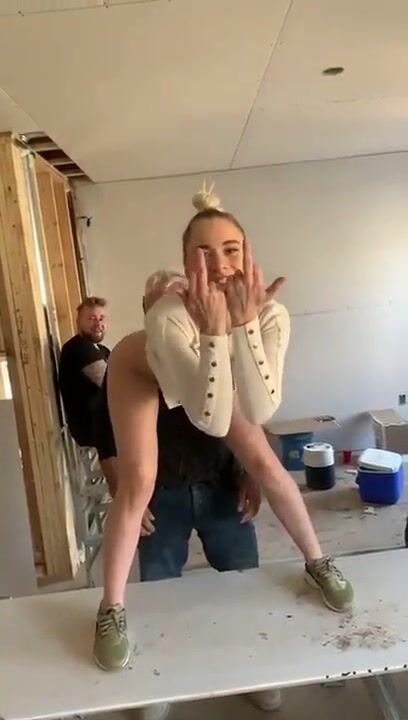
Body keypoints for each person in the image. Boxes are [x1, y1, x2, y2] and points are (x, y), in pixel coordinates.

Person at [94, 190, 353, 672]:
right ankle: (111, 608)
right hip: (150, 388)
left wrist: (241, 324)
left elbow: (254, 407)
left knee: (266, 465)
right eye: (204, 255)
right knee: (139, 484)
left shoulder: (235, 311)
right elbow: (203, 416)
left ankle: (318, 560)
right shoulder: (152, 337)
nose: (217, 266)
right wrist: (214, 333)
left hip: (207, 416)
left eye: (230, 250)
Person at [94, 370, 284, 717]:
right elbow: (105, 437)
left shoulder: (225, 356)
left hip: (223, 486)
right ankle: (157, 682)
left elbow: (257, 418)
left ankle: (257, 670)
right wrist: (124, 493)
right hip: (159, 495)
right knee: (157, 592)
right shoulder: (132, 364)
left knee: (244, 583)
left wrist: (252, 474)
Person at [58, 296, 118, 496]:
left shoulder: (101, 350)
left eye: (101, 318)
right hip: (93, 428)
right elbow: (112, 384)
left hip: (105, 425)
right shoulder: (79, 348)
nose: (98, 323)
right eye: (91, 318)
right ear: (78, 321)